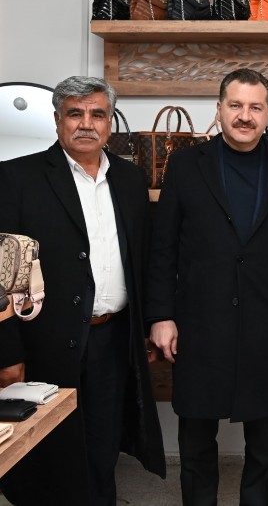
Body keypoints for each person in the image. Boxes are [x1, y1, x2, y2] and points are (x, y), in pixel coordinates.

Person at [147, 68, 268, 506]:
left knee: (265, 443)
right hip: (199, 322)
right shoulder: (186, 165)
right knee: (196, 440)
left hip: (266, 322)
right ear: (219, 109)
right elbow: (163, 248)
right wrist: (161, 315)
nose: (245, 116)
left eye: (255, 107)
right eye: (236, 105)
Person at [0, 76, 165, 506]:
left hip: (113, 339)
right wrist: (7, 352)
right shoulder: (16, 177)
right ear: (58, 120)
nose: (86, 124)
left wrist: (145, 328)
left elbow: (143, 258)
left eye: (97, 114)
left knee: (102, 451)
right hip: (45, 343)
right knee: (47, 457)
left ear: (110, 123)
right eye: (75, 113)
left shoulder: (129, 179)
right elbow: (1, 277)